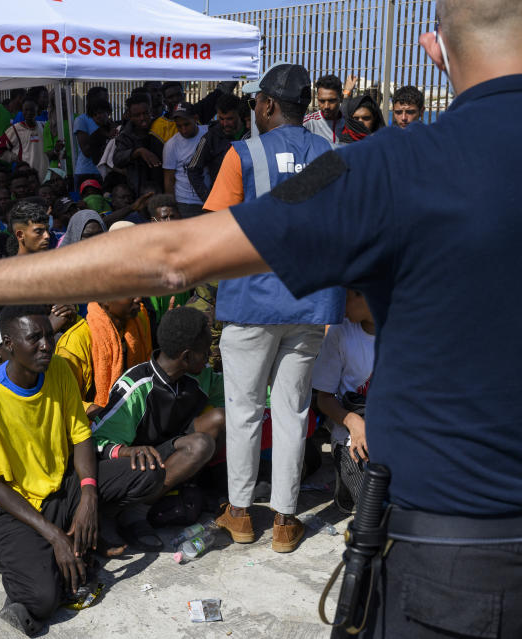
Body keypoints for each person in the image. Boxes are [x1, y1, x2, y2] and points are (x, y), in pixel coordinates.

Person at [0, 1, 522, 631]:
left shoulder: (386, 165)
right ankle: (279, 515)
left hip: (450, 562)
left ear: (433, 45)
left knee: (259, 411)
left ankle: (251, 512)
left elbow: (173, 255)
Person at [200, 62, 344, 553]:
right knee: (291, 411)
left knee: (242, 410)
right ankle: (285, 521)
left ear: (266, 104)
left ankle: (239, 514)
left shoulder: (244, 155)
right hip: (309, 305)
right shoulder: (327, 152)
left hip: (252, 303)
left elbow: (214, 232)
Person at [0, 306, 164, 636]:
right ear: (8, 344)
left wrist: (88, 494)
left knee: (148, 471)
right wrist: (54, 537)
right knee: (41, 600)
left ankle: (73, 533)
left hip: (56, 488)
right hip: (6, 509)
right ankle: (30, 552)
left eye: (49, 336)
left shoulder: (58, 371)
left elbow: (81, 436)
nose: (46, 345)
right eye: (34, 338)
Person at [91, 307, 225, 542]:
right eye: (204, 353)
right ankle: (136, 511)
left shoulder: (199, 377)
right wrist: (126, 451)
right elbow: (97, 441)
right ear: (185, 357)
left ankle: (195, 487)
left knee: (221, 418)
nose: (208, 358)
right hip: (137, 467)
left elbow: (237, 392)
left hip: (168, 453)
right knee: (200, 445)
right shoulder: (137, 386)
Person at [312, 289, 375, 513]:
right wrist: (353, 421)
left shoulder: (408, 331)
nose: (340, 306)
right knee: (374, 508)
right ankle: (347, 484)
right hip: (352, 438)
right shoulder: (340, 332)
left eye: (346, 297)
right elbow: (324, 399)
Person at [55, 295, 152, 416]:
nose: (138, 298)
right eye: (130, 293)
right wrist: (106, 415)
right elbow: (64, 401)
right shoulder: (75, 343)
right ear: (106, 300)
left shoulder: (140, 321)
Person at [186, 93, 248, 204]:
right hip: (223, 203)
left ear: (240, 115)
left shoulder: (252, 132)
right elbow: (192, 169)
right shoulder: (210, 137)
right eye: (221, 119)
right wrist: (209, 199)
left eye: (230, 119)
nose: (225, 123)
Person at [162, 104, 208, 219]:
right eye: (179, 126)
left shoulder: (209, 133)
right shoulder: (171, 145)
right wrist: (173, 208)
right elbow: (169, 179)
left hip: (211, 199)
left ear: (196, 118)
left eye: (186, 124)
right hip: (186, 202)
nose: (184, 130)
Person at [113, 94, 164, 195]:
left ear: (151, 111)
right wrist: (138, 152)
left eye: (145, 113)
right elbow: (117, 159)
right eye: (137, 115)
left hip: (162, 187)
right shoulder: (125, 135)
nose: (142, 118)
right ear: (130, 116)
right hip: (138, 190)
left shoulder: (160, 127)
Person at [0, 100, 47, 182]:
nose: (29, 112)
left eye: (31, 109)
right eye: (26, 110)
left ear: (37, 110)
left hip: (44, 174)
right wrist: (13, 157)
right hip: (24, 176)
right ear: (22, 111)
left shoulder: (44, 126)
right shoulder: (15, 129)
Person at [303, 74, 345, 144]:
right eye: (322, 101)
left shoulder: (349, 123)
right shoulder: (308, 123)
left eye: (331, 101)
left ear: (341, 98)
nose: (326, 106)